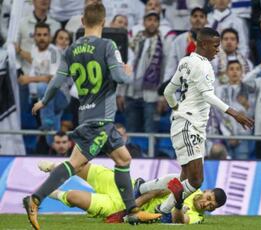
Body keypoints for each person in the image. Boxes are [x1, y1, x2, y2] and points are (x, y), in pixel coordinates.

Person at [23, 3, 161, 230]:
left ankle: (132, 211)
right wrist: (126, 72)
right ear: (103, 21)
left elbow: (57, 81)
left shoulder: (71, 49)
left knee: (123, 159)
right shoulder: (108, 45)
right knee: (75, 164)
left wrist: (43, 102)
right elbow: (120, 77)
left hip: (88, 115)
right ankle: (36, 198)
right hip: (100, 119)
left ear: (82, 20)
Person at [161, 27, 253, 221]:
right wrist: (235, 113)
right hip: (189, 124)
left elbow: (168, 91)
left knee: (185, 175)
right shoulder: (204, 66)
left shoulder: (185, 62)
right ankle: (163, 209)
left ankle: (163, 212)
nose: (218, 50)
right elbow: (207, 95)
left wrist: (176, 108)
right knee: (196, 180)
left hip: (186, 123)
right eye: (215, 45)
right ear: (203, 44)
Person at [37, 161, 227, 224]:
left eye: (211, 206)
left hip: (124, 206)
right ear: (207, 191)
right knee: (82, 166)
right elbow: (161, 189)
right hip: (128, 186)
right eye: (209, 199)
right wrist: (155, 192)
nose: (206, 204)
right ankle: (54, 167)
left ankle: (52, 193)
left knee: (73, 197)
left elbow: (180, 220)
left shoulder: (198, 218)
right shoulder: (192, 187)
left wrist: (177, 202)